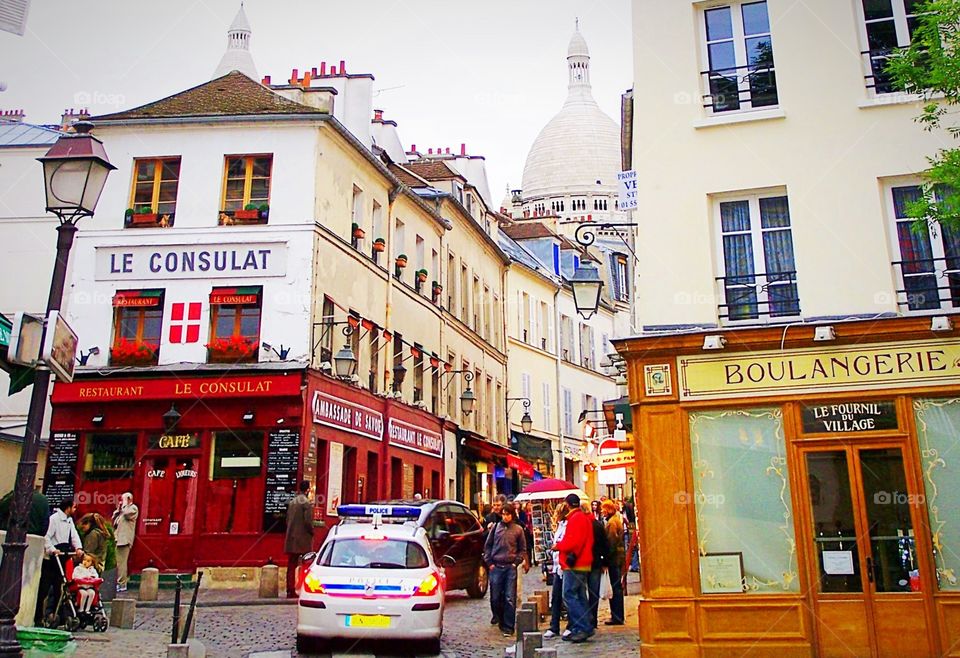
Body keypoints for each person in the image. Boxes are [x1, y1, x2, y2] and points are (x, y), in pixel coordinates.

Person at [482, 502, 529, 637]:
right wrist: (489, 562)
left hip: (510, 567)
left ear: (512, 515)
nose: (505, 517)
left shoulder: (518, 529)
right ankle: (499, 617)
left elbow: (522, 549)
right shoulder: (496, 528)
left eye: (507, 514)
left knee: (509, 597)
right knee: (495, 597)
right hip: (496, 565)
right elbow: (488, 546)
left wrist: (516, 562)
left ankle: (508, 626)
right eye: (503, 514)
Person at [553, 493, 593, 644]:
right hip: (582, 562)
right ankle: (581, 626)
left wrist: (558, 546)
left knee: (569, 594)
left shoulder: (575, 519)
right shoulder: (584, 518)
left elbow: (573, 541)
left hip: (575, 563)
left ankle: (583, 626)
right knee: (580, 595)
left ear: (568, 504)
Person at [37, 498, 83, 625]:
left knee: (59, 587)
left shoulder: (69, 520)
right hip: (52, 558)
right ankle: (39, 616)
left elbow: (74, 535)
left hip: (62, 556)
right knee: (45, 588)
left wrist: (78, 548)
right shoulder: (54, 519)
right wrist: (52, 549)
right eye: (73, 507)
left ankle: (55, 615)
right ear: (67, 507)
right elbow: (47, 536)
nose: (75, 510)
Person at [543, 502, 569, 640]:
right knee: (556, 597)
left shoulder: (568, 525)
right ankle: (554, 626)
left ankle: (571, 625)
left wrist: (557, 547)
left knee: (567, 597)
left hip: (565, 566)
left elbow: (565, 543)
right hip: (557, 566)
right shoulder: (560, 526)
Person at [285, 480, 315, 598]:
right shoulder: (306, 503)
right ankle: (305, 587)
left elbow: (287, 519)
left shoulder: (292, 502)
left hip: (291, 537)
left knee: (291, 565)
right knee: (307, 563)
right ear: (307, 490)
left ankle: (290, 589)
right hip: (302, 537)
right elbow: (308, 521)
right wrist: (312, 531)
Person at [601, 499, 626, 625]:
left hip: (614, 558)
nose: (602, 512)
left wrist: (605, 559)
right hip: (618, 557)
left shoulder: (611, 523)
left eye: (603, 509)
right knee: (617, 587)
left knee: (615, 587)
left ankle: (617, 616)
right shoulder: (615, 520)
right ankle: (618, 615)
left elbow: (611, 542)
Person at [586, 503, 610, 630]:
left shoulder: (585, 525)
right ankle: (593, 619)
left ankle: (587, 618)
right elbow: (605, 544)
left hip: (585, 562)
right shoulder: (598, 525)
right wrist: (605, 562)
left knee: (583, 591)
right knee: (593, 591)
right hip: (596, 562)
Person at [112, 492, 139, 593]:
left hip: (124, 541)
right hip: (117, 540)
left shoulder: (133, 508)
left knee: (122, 563)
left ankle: (122, 583)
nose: (121, 501)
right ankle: (118, 582)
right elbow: (113, 521)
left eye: (123, 499)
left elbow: (128, 514)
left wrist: (124, 504)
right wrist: (118, 510)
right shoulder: (122, 511)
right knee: (117, 563)